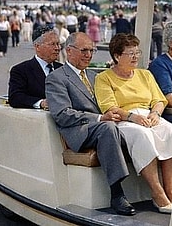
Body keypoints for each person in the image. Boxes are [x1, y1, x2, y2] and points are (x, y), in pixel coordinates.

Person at [45, 32, 137, 216]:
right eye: (84, 50)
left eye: (92, 50)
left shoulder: (97, 76)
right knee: (108, 128)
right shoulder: (56, 78)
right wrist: (100, 118)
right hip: (79, 132)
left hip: (105, 127)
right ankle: (117, 193)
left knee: (139, 128)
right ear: (69, 51)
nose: (89, 55)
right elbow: (63, 115)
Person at [94, 33, 172, 214]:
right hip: (124, 119)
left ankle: (171, 192)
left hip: (149, 115)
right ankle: (158, 194)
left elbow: (159, 99)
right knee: (142, 135)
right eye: (130, 53)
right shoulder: (104, 78)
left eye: (137, 52)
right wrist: (132, 117)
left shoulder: (145, 74)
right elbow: (109, 107)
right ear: (117, 56)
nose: (136, 57)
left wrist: (156, 113)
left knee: (169, 130)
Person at [8, 25, 62, 110]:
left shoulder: (62, 69)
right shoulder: (20, 70)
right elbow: (15, 97)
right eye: (52, 44)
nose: (57, 48)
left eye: (58, 44)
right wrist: (41, 103)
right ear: (37, 47)